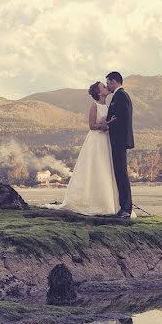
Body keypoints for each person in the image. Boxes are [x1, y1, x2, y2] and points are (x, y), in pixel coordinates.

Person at [46, 81, 120, 215]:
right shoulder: (95, 106)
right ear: (98, 93)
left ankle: (107, 202)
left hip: (105, 140)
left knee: (105, 168)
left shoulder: (107, 105)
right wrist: (106, 124)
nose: (106, 87)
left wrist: (108, 124)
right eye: (103, 87)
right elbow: (91, 126)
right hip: (96, 140)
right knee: (95, 167)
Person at [105, 72, 134, 219]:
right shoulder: (118, 96)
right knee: (119, 173)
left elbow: (124, 119)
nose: (107, 86)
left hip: (119, 142)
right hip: (118, 141)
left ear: (114, 81)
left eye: (108, 82)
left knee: (121, 174)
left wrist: (110, 122)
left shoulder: (121, 96)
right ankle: (124, 207)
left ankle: (126, 208)